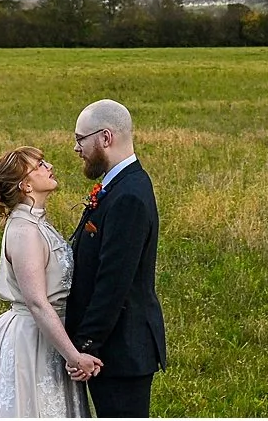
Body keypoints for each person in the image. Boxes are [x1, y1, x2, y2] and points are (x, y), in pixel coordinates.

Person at [0, 146, 102, 417]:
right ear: (26, 185)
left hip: (51, 335)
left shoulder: (37, 222)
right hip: (32, 340)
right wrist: (73, 356)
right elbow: (36, 302)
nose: (49, 166)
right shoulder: (25, 231)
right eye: (40, 165)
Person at [66, 100, 166, 418]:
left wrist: (85, 345)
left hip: (121, 351)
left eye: (80, 139)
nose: (76, 148)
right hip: (113, 349)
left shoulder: (129, 196)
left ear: (105, 137)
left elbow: (113, 281)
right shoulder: (119, 185)